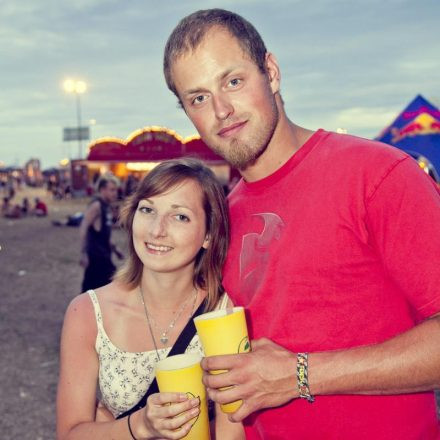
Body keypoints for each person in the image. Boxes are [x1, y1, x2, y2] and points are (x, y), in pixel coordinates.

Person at [163, 9, 440, 439]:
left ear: (270, 72)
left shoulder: (377, 175)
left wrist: (299, 374)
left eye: (233, 81)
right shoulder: (220, 216)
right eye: (198, 98)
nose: (221, 110)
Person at [57, 158, 244, 439]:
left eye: (180, 216)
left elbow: (233, 433)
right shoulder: (86, 313)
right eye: (147, 209)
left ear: (208, 234)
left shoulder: (222, 313)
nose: (157, 230)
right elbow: (70, 434)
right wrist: (139, 425)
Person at [79, 173, 123, 292]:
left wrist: (115, 249)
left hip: (104, 255)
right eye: (112, 190)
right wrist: (83, 253)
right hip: (97, 257)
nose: (115, 193)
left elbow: (104, 234)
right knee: (111, 286)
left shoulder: (106, 206)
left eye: (116, 190)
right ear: (102, 190)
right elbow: (84, 226)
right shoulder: (96, 205)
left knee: (91, 290)